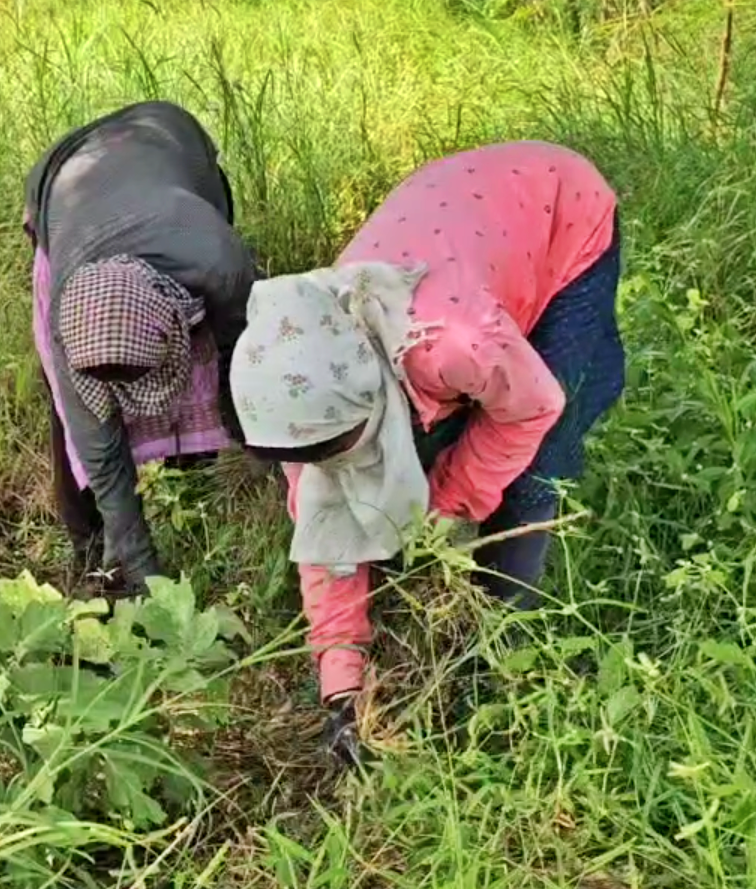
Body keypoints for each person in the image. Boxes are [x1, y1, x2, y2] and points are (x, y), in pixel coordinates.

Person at [227, 140, 624, 765]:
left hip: (557, 210)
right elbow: (326, 534)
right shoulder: (297, 388)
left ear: (372, 391)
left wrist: (451, 500)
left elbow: (534, 406)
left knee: (537, 466)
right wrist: (342, 691)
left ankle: (499, 654)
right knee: (431, 441)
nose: (325, 469)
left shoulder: (453, 344)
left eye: (339, 449)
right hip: (451, 214)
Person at [24, 100, 255, 596]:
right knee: (73, 418)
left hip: (170, 143)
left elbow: (244, 355)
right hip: (63, 184)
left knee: (225, 378)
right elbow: (102, 454)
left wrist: (247, 433)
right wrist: (145, 576)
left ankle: (194, 480)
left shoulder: (218, 259)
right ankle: (91, 545)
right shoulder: (69, 318)